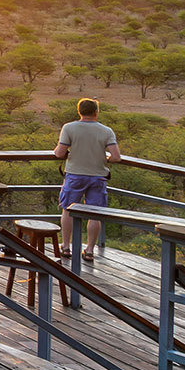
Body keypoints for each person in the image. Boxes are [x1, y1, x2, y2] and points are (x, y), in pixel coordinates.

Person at [53, 98, 118, 264]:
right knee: (94, 213)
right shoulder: (106, 131)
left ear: (79, 111)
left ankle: (66, 246)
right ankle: (89, 250)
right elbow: (116, 156)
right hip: (98, 176)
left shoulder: (69, 128)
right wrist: (105, 159)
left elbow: (59, 153)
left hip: (75, 175)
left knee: (68, 209)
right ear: (96, 112)